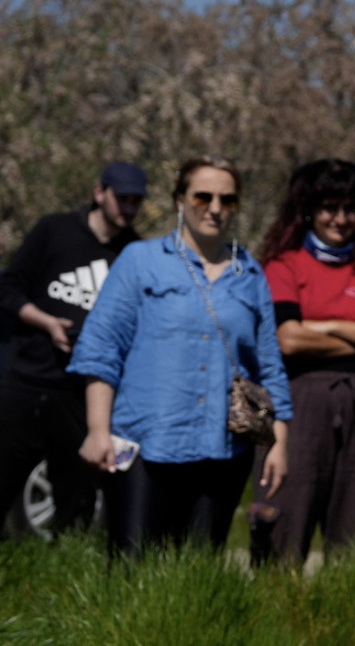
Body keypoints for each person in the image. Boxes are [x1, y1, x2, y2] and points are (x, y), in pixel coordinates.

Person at [69, 156, 293, 558]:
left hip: (224, 449)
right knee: (131, 566)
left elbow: (269, 364)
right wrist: (97, 430)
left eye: (228, 199)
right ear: (179, 200)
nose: (215, 208)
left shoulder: (249, 273)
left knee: (198, 571)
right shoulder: (140, 260)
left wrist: (278, 443)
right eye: (203, 197)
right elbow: (101, 348)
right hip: (143, 442)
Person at [248, 159, 355, 564]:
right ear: (309, 210)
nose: (341, 219)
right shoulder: (284, 265)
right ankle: (277, 597)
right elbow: (288, 339)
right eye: (330, 208)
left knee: (354, 531)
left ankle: (341, 601)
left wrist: (323, 326)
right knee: (284, 521)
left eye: (351, 208)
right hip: (297, 402)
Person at [0, 162, 149, 534]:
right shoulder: (55, 230)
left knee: (77, 496)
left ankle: (66, 560)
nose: (128, 208)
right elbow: (9, 288)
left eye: (136, 201)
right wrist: (47, 323)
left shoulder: (134, 253)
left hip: (81, 391)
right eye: (122, 198)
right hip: (27, 379)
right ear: (100, 193)